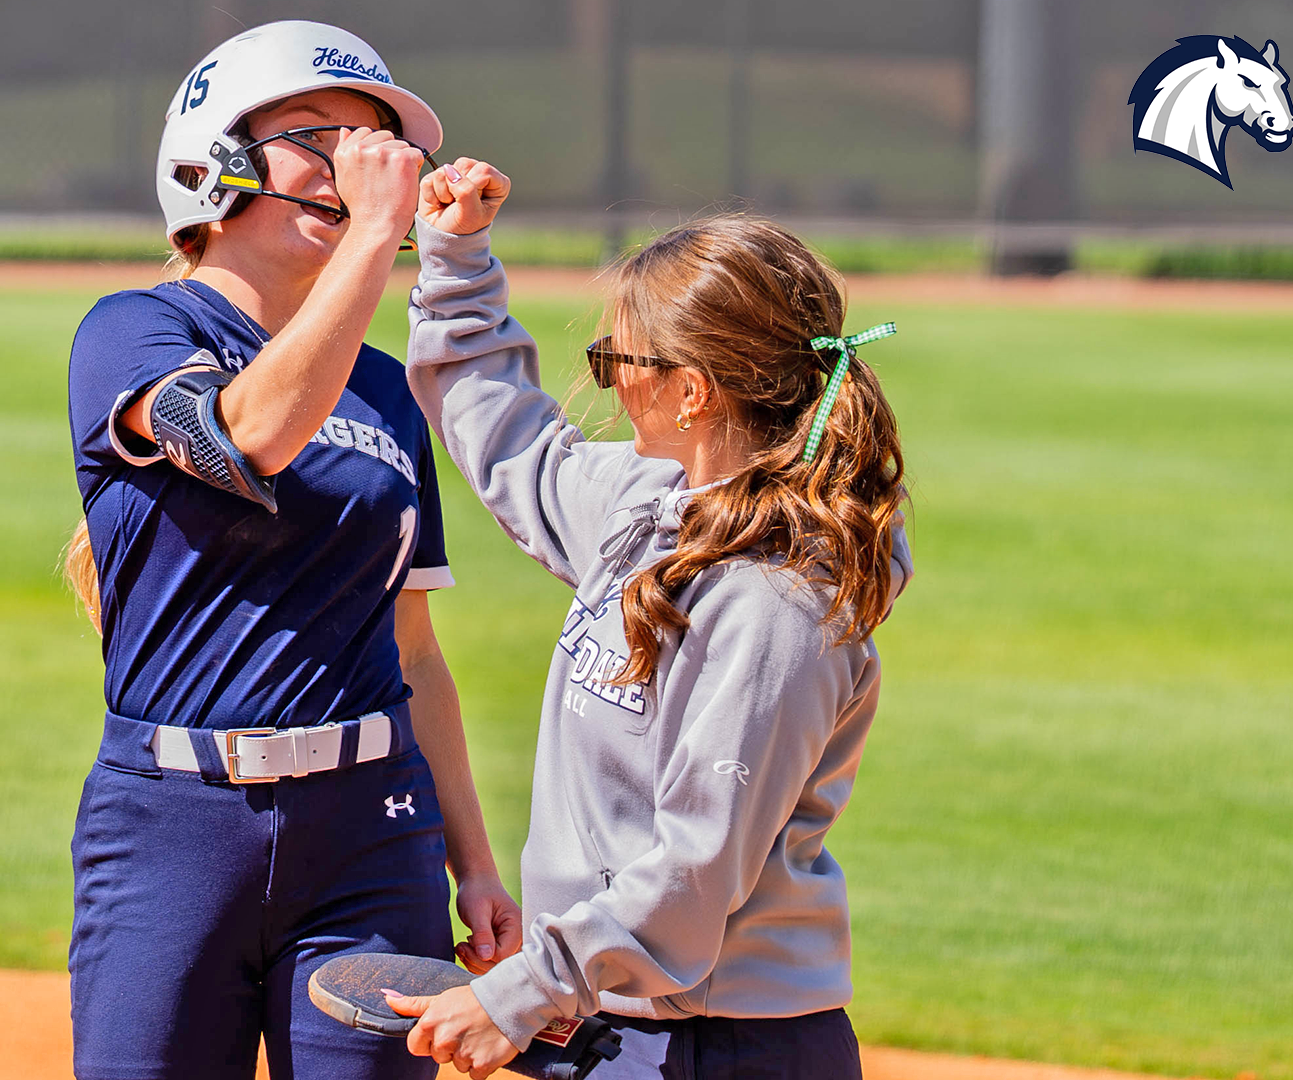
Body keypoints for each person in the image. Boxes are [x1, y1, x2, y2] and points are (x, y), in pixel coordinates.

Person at [384, 161, 914, 1080]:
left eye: (615, 362)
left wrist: (522, 992)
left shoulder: (774, 604)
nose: (610, 386)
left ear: (695, 389)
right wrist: (458, 255)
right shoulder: (652, 503)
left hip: (721, 1045)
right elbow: (510, 437)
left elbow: (697, 869)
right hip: (620, 1022)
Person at [62, 21, 518, 1080]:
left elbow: (415, 650)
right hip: (171, 825)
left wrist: (476, 864)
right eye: (320, 138)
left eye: (376, 143)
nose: (363, 165)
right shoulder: (131, 331)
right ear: (215, 162)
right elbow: (244, 433)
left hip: (372, 827)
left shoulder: (386, 389)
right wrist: (373, 237)